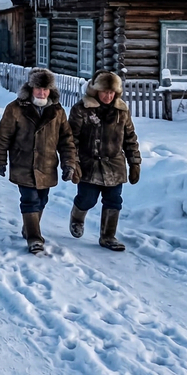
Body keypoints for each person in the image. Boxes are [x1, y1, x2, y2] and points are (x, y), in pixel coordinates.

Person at [0, 68, 79, 254]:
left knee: (42, 199)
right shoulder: (15, 108)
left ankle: (29, 227)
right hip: (23, 163)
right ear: (31, 88)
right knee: (29, 199)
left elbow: (66, 140)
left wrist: (69, 163)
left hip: (47, 165)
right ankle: (34, 238)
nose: (42, 93)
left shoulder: (57, 111)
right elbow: (2, 137)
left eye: (45, 89)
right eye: (38, 88)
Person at [68, 71, 141, 251]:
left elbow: (130, 138)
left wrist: (134, 162)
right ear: (96, 91)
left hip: (114, 165)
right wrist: (73, 163)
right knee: (87, 199)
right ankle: (77, 218)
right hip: (89, 164)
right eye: (104, 92)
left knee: (114, 200)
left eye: (111, 92)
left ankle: (108, 236)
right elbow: (71, 140)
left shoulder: (121, 111)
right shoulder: (82, 109)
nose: (108, 96)